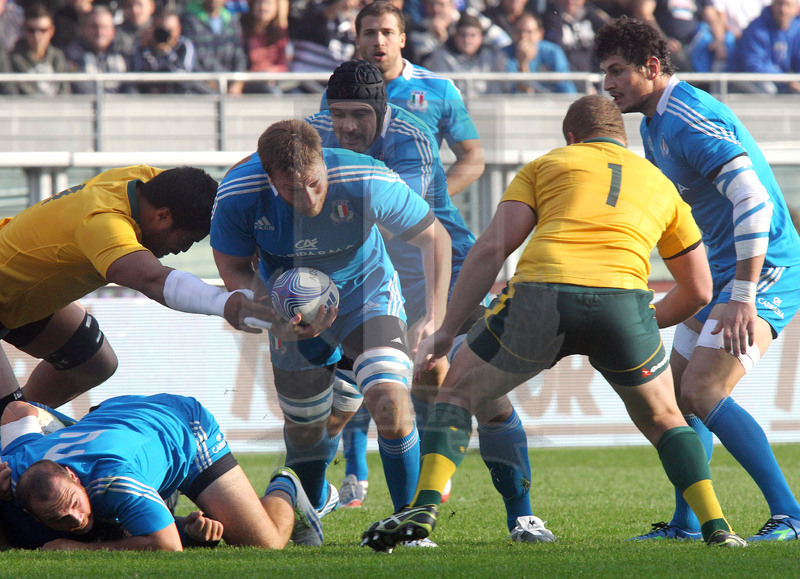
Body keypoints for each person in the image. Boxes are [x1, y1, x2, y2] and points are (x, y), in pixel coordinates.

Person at [361, 94, 748, 551]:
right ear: (623, 140)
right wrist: (643, 320)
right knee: (666, 418)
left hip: (542, 297)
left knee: (457, 393)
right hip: (624, 302)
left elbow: (490, 249)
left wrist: (446, 330)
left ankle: (423, 507)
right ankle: (718, 528)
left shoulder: (550, 163)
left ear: (571, 137)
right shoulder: (660, 183)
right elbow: (700, 290)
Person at [308, 60, 542, 543]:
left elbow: (398, 219)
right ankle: (319, 499)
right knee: (339, 406)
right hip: (370, 279)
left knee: (477, 387)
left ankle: (522, 517)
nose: (346, 126)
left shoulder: (409, 136)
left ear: (380, 108)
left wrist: (432, 316)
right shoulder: (312, 134)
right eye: (338, 115)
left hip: (441, 271)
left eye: (358, 115)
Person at [596, 16, 800, 542]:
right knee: (679, 398)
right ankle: (688, 523)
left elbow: (752, 202)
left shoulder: (688, 116)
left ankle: (792, 515)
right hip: (722, 271)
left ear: (653, 66)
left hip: (766, 268)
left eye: (617, 71)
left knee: (704, 389)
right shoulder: (653, 124)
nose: (607, 85)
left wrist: (743, 296)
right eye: (603, 74)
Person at [210, 119, 452, 525]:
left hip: (366, 296)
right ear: (269, 178)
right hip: (293, 314)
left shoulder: (364, 177)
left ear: (323, 162)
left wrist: (435, 316)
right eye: (291, 189)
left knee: (391, 402)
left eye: (315, 183)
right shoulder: (237, 194)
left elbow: (435, 237)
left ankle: (411, 524)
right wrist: (273, 316)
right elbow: (234, 269)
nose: (307, 197)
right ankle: (316, 501)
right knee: (306, 428)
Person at [0, 165, 274, 418]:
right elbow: (153, 279)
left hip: (12, 291)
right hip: (6, 292)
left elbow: (215, 195)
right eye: (187, 238)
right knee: (12, 419)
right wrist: (223, 304)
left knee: (94, 363)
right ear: (163, 216)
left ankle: (15, 424)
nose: (183, 250)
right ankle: (12, 426)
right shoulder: (104, 224)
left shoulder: (144, 181)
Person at [0, 394, 322, 550]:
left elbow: (167, 546)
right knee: (108, 520)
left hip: (184, 429)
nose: (74, 519)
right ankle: (166, 508)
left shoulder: (112, 481)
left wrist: (81, 548)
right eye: (58, 519)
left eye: (73, 503)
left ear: (73, 476)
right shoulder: (15, 466)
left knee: (265, 543)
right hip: (112, 417)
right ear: (28, 509)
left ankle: (286, 486)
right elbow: (17, 408)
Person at [352, 1, 485, 197]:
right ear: (358, 40)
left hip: (417, 220)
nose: (379, 41)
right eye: (370, 33)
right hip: (360, 214)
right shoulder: (338, 92)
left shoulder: (439, 88)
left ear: (402, 40)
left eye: (387, 32)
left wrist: (433, 200)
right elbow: (325, 155)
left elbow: (473, 156)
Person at [425, 12, 509, 96]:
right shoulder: (441, 56)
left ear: (481, 37)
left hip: (486, 107)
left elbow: (496, 93)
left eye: (473, 35)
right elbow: (440, 91)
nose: (467, 40)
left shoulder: (490, 56)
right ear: (455, 36)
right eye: (463, 35)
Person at [0, 2, 71, 96]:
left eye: (43, 30)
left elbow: (65, 93)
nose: (37, 36)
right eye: (31, 30)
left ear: (51, 31)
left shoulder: (58, 57)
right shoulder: (10, 59)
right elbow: (12, 95)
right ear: (24, 30)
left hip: (56, 109)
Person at [730, 0, 800, 94]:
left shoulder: (796, 29)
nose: (783, 10)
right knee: (768, 89)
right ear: (772, 5)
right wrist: (785, 80)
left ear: (796, 8)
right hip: (745, 80)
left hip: (782, 81)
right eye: (779, 4)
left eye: (788, 5)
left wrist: (794, 81)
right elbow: (754, 64)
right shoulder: (756, 28)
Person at [179, 0, 247, 95]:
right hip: (201, 85)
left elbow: (239, 56)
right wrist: (208, 81)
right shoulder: (189, 20)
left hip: (229, 83)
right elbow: (190, 58)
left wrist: (237, 82)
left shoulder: (232, 20)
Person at [504, 11, 577, 94]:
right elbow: (518, 92)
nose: (523, 37)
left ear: (540, 33)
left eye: (529, 32)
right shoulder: (504, 55)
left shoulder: (553, 52)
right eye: (519, 32)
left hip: (551, 104)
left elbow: (567, 90)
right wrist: (523, 64)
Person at [65, 6, 132, 94]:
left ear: (113, 31)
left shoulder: (124, 53)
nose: (100, 32)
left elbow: (130, 86)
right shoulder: (73, 55)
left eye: (105, 27)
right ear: (84, 29)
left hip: (120, 105)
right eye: (94, 27)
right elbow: (79, 87)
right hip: (86, 105)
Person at [131, 7, 198, 93]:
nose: (164, 34)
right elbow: (137, 75)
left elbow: (184, 76)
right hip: (148, 97)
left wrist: (167, 53)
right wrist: (145, 48)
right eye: (160, 30)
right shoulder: (145, 45)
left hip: (178, 96)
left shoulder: (184, 46)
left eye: (169, 31)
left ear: (178, 30)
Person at [240, 0, 289, 94]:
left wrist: (271, 71)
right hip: (250, 80)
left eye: (268, 3)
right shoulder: (243, 31)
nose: (263, 7)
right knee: (272, 92)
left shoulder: (279, 33)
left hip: (272, 79)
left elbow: (283, 65)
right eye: (259, 2)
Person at [115, 0, 157, 66]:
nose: (134, 10)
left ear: (152, 7)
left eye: (140, 5)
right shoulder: (115, 33)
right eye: (130, 5)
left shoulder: (158, 30)